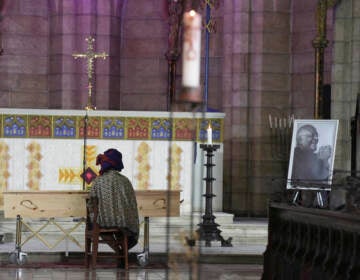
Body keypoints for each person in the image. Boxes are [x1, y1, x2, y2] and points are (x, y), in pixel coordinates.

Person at [88, 148, 139, 251]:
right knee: (123, 229)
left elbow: (91, 204)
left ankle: (117, 251)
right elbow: (132, 204)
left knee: (95, 225)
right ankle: (123, 252)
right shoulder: (125, 181)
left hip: (104, 222)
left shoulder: (97, 181)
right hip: (124, 222)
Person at [291, 124, 332, 207]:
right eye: (310, 136)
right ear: (300, 140)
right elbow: (319, 177)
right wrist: (324, 160)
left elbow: (325, 178)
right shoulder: (296, 156)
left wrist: (324, 160)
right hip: (305, 193)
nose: (316, 139)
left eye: (316, 136)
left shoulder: (314, 156)